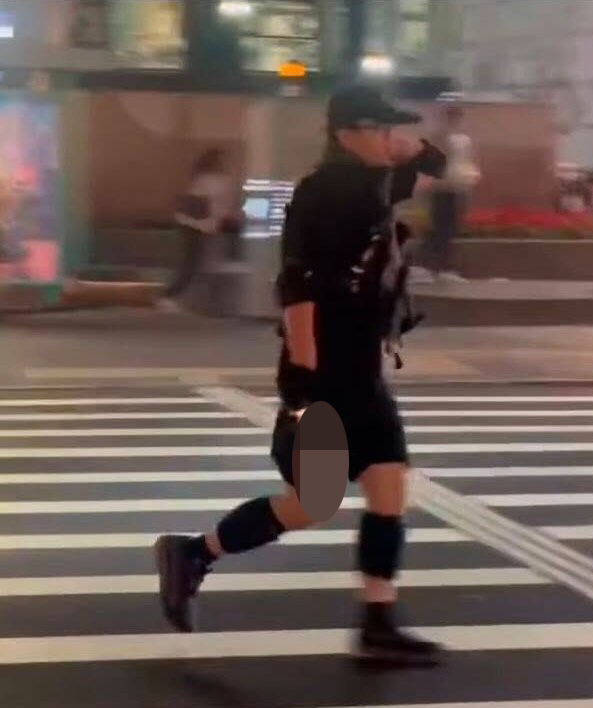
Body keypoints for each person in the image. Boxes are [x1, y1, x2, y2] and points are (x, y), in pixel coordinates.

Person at [154, 84, 447, 666]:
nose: (390, 139)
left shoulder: (374, 183)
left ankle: (378, 623)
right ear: (347, 134)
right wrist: (306, 384)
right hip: (326, 373)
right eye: (380, 128)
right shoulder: (326, 194)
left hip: (364, 372)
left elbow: (434, 167)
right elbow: (297, 286)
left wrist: (410, 146)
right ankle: (193, 554)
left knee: (389, 487)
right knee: (313, 503)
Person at [158, 147, 238, 310]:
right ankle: (171, 296)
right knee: (195, 263)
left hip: (197, 224)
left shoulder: (204, 179)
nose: (229, 163)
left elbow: (204, 204)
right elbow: (215, 205)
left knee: (198, 262)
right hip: (201, 224)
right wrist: (214, 220)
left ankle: (179, 297)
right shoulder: (218, 181)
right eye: (226, 160)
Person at [413, 104, 480, 284]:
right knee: (440, 228)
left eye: (458, 117)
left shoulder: (463, 138)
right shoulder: (439, 137)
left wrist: (469, 177)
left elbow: (466, 162)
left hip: (458, 187)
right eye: (452, 116)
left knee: (450, 229)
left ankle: (444, 268)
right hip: (442, 188)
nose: (456, 120)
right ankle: (423, 267)